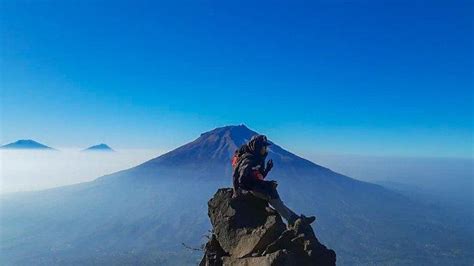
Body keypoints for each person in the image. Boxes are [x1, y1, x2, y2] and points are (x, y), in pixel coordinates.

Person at [231, 134, 316, 226]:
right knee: (271, 193)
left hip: (250, 187)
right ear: (257, 146)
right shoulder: (249, 160)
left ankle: (295, 219)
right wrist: (244, 192)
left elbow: (257, 176)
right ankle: (293, 220)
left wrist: (267, 169)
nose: (266, 149)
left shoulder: (256, 158)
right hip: (247, 190)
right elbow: (241, 179)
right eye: (264, 147)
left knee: (272, 193)